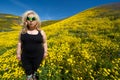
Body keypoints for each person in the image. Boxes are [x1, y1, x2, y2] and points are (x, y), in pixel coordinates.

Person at [16, 10, 47, 80]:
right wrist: (18, 53)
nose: (31, 21)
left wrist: (45, 52)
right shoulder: (22, 32)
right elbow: (19, 42)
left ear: (37, 21)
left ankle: (35, 75)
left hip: (38, 55)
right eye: (28, 19)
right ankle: (29, 76)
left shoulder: (41, 32)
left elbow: (44, 43)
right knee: (27, 68)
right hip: (26, 56)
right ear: (25, 21)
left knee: (36, 67)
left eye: (33, 19)